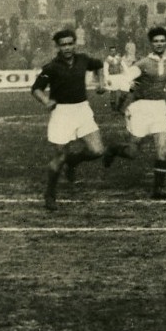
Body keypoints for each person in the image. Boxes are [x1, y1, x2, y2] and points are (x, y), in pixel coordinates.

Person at [102, 26, 166, 200]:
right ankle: (113, 149)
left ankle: (158, 189)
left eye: (162, 41)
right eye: (156, 41)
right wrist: (119, 86)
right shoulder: (143, 63)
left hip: (159, 108)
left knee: (163, 149)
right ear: (151, 43)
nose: (159, 44)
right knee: (132, 151)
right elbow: (127, 77)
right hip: (140, 108)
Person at [31, 29, 107, 211]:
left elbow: (99, 65)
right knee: (60, 156)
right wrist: (46, 101)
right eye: (63, 44)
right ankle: (50, 194)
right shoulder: (51, 67)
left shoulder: (83, 60)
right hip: (62, 113)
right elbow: (36, 89)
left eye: (70, 43)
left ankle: (74, 161)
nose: (67, 48)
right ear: (58, 47)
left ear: (75, 44)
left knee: (97, 150)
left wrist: (101, 82)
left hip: (82, 110)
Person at [103, 45, 129, 112]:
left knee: (123, 91)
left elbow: (125, 67)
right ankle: (114, 109)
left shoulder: (119, 58)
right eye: (111, 51)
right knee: (113, 92)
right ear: (109, 52)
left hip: (119, 76)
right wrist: (107, 79)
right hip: (111, 77)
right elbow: (105, 70)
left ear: (116, 51)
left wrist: (128, 75)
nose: (113, 52)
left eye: (114, 51)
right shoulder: (107, 60)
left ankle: (120, 107)